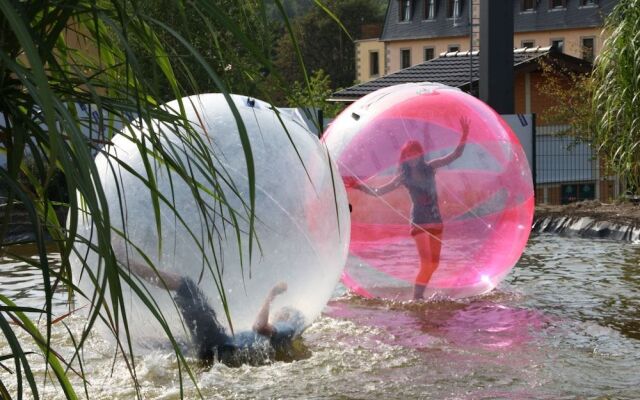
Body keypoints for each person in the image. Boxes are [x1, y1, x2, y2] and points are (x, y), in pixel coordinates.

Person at [114, 243, 308, 366]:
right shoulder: (268, 340)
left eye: (281, 312)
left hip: (218, 346)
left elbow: (259, 326)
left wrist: (271, 294)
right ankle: (130, 341)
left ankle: (125, 261)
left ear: (286, 316)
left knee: (186, 286)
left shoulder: (285, 328)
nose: (277, 314)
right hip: (216, 349)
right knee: (174, 343)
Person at [351, 117, 470, 300]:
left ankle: (419, 297)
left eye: (415, 153)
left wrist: (465, 134)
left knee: (434, 263)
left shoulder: (430, 167)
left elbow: (455, 155)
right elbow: (378, 191)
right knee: (426, 263)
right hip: (419, 223)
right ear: (404, 158)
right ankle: (417, 298)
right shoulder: (403, 177)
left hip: (436, 220)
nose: (412, 157)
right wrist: (358, 185)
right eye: (408, 155)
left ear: (420, 154)